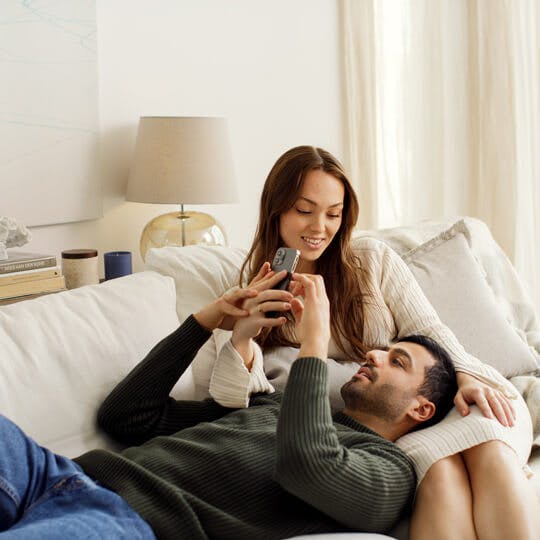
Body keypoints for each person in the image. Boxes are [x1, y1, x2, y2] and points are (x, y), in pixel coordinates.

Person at [208, 145, 540, 540]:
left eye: (333, 214)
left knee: (490, 452)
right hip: (401, 423)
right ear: (275, 209)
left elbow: (431, 329)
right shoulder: (256, 292)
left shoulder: (370, 259)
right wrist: (243, 330)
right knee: (440, 472)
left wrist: (467, 376)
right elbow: (237, 397)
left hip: (456, 385)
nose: (320, 228)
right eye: (304, 210)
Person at [0, 270, 456, 539]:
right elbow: (126, 416)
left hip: (123, 520)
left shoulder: (389, 472)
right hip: (59, 473)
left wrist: (314, 340)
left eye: (397, 361)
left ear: (421, 409)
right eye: (381, 349)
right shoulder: (272, 408)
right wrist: (208, 318)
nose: (374, 355)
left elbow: (307, 463)